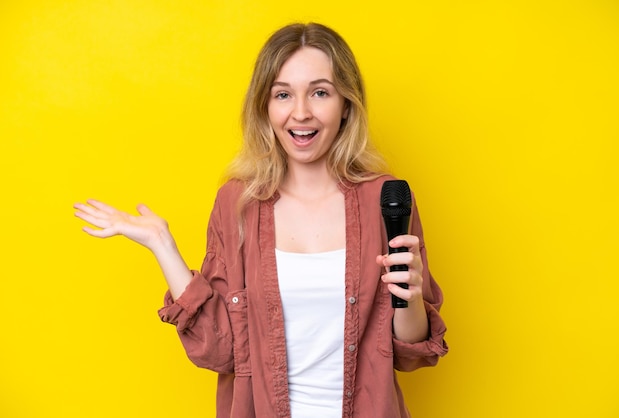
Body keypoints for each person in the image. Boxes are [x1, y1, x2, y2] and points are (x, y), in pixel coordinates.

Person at [74, 22, 447, 418]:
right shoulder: (238, 203)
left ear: (346, 106)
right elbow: (221, 352)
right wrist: (162, 245)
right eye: (283, 94)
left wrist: (407, 291)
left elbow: (411, 352)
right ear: (265, 108)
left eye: (320, 93)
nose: (300, 113)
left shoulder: (386, 199)